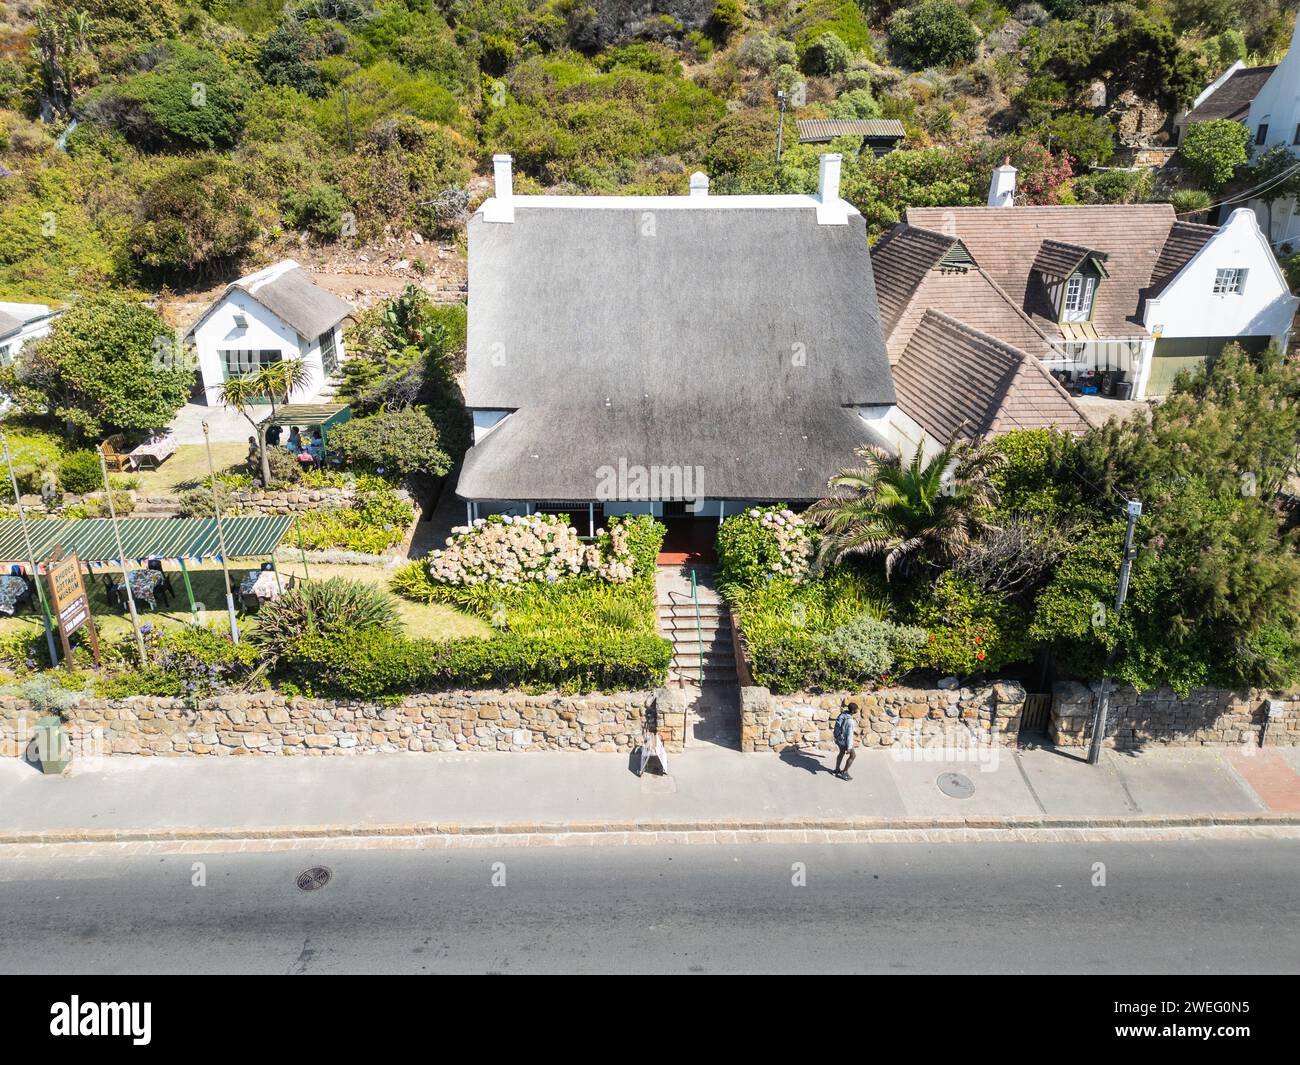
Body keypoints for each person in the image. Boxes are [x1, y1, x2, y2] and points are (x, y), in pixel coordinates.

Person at [833, 704, 857, 781]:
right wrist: (849, 748)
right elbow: (849, 736)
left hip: (839, 738)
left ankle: (837, 770)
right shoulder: (850, 721)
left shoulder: (843, 714)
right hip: (844, 741)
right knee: (853, 755)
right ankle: (844, 772)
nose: (857, 710)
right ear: (853, 711)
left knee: (841, 753)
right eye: (856, 709)